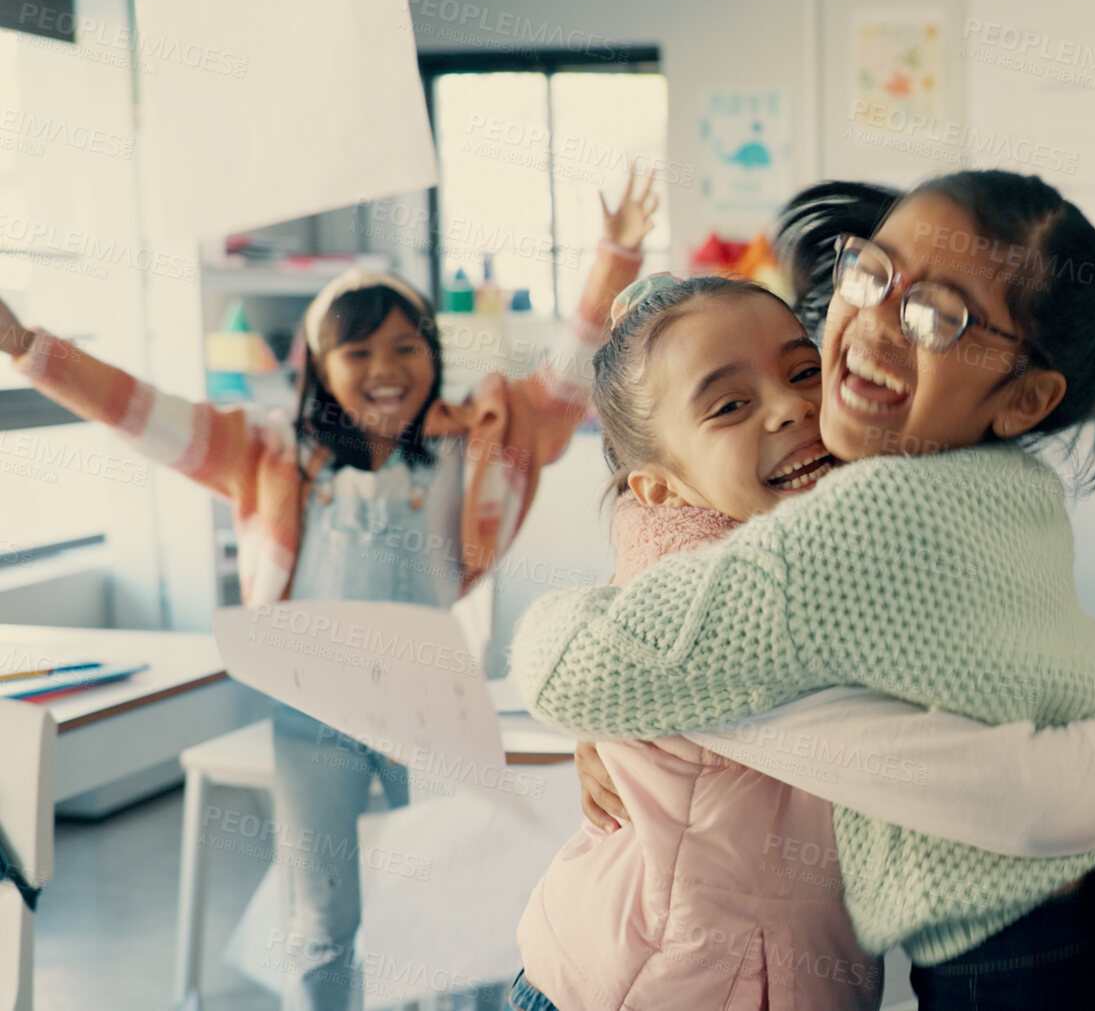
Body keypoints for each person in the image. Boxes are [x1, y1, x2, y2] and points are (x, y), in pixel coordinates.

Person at [507, 169, 1095, 1010]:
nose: (789, 411)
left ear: (1027, 398)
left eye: (938, 316)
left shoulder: (871, 509)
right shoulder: (976, 489)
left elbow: (1030, 685)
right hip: (645, 979)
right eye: (870, 275)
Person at [0, 169, 660, 1011]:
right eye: (359, 351)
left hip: (435, 708)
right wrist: (30, 349)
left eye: (406, 346)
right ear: (319, 364)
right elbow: (141, 411)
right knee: (320, 920)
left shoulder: (477, 439)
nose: (387, 369)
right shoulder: (267, 454)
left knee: (464, 906)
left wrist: (615, 258)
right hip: (313, 718)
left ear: (433, 354)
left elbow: (565, 380)